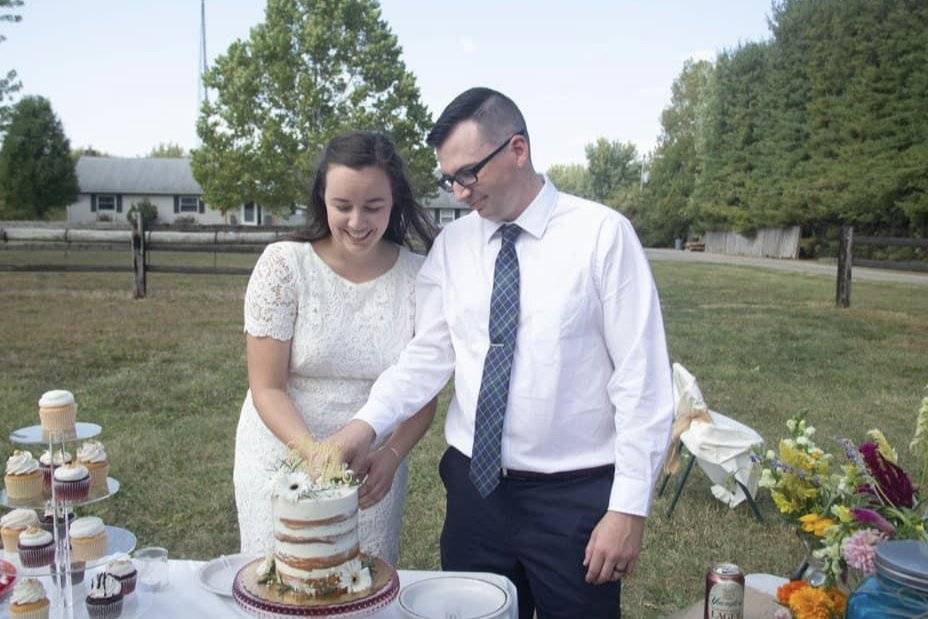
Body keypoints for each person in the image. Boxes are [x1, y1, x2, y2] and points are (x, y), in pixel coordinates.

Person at [332, 88, 674, 617]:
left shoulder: (602, 236)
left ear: (517, 149)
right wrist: (365, 425)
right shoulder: (454, 245)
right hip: (475, 493)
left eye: (468, 173)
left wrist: (628, 508)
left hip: (574, 501)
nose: (460, 191)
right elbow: (428, 355)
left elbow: (642, 381)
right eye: (449, 178)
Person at [233, 130, 438, 565]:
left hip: (372, 468)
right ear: (322, 200)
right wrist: (316, 457)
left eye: (374, 206)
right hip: (281, 452)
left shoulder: (421, 277)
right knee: (283, 583)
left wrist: (392, 455)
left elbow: (422, 391)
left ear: (395, 201)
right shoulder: (284, 265)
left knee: (359, 586)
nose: (357, 221)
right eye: (342, 206)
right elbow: (267, 387)